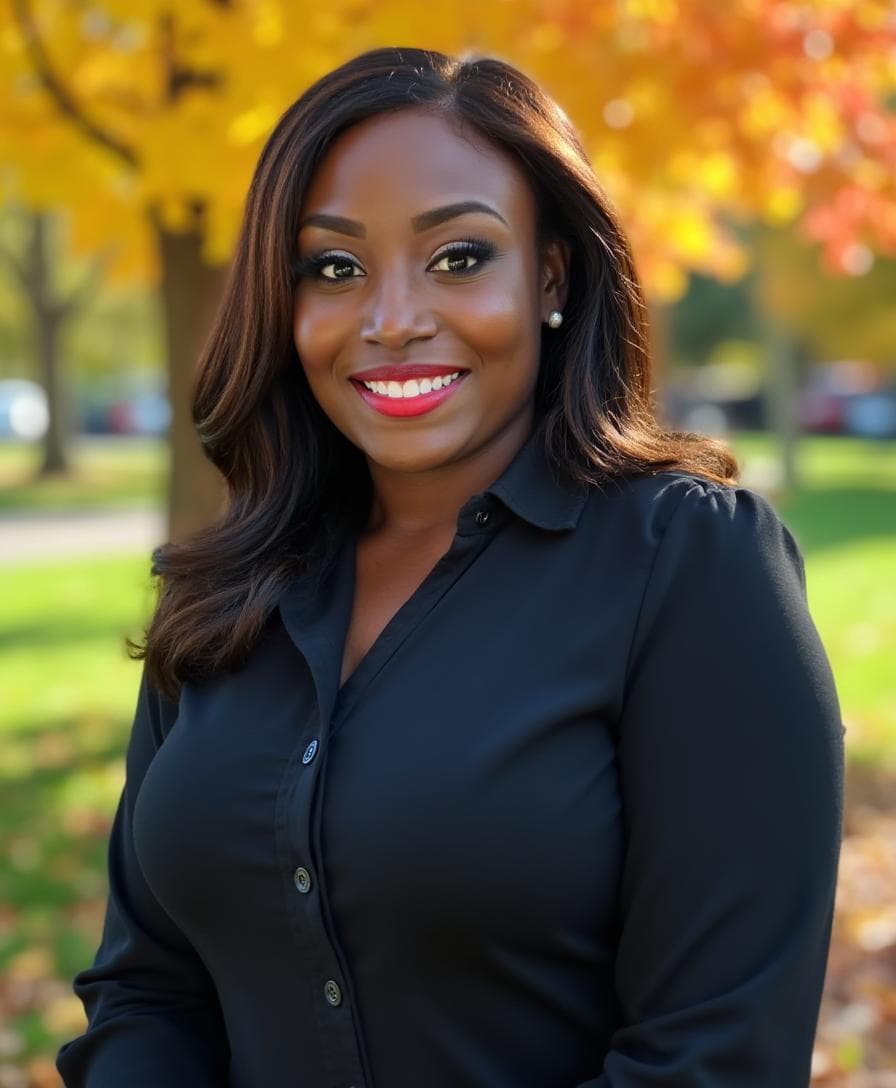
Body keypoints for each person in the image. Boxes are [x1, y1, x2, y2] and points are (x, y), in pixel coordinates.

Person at [57, 46, 845, 1088]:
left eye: (458, 257)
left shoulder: (688, 565)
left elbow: (715, 1056)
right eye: (333, 267)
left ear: (550, 274)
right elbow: (146, 988)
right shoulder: (228, 586)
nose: (390, 319)